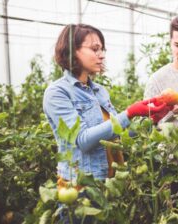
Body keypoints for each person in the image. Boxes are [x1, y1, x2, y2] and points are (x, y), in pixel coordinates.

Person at [43, 24, 167, 183]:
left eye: (102, 50)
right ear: (72, 50)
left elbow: (117, 137)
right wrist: (130, 113)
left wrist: (152, 120)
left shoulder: (99, 91)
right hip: (82, 186)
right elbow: (83, 140)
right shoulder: (57, 93)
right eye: (95, 49)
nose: (101, 55)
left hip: (112, 183)